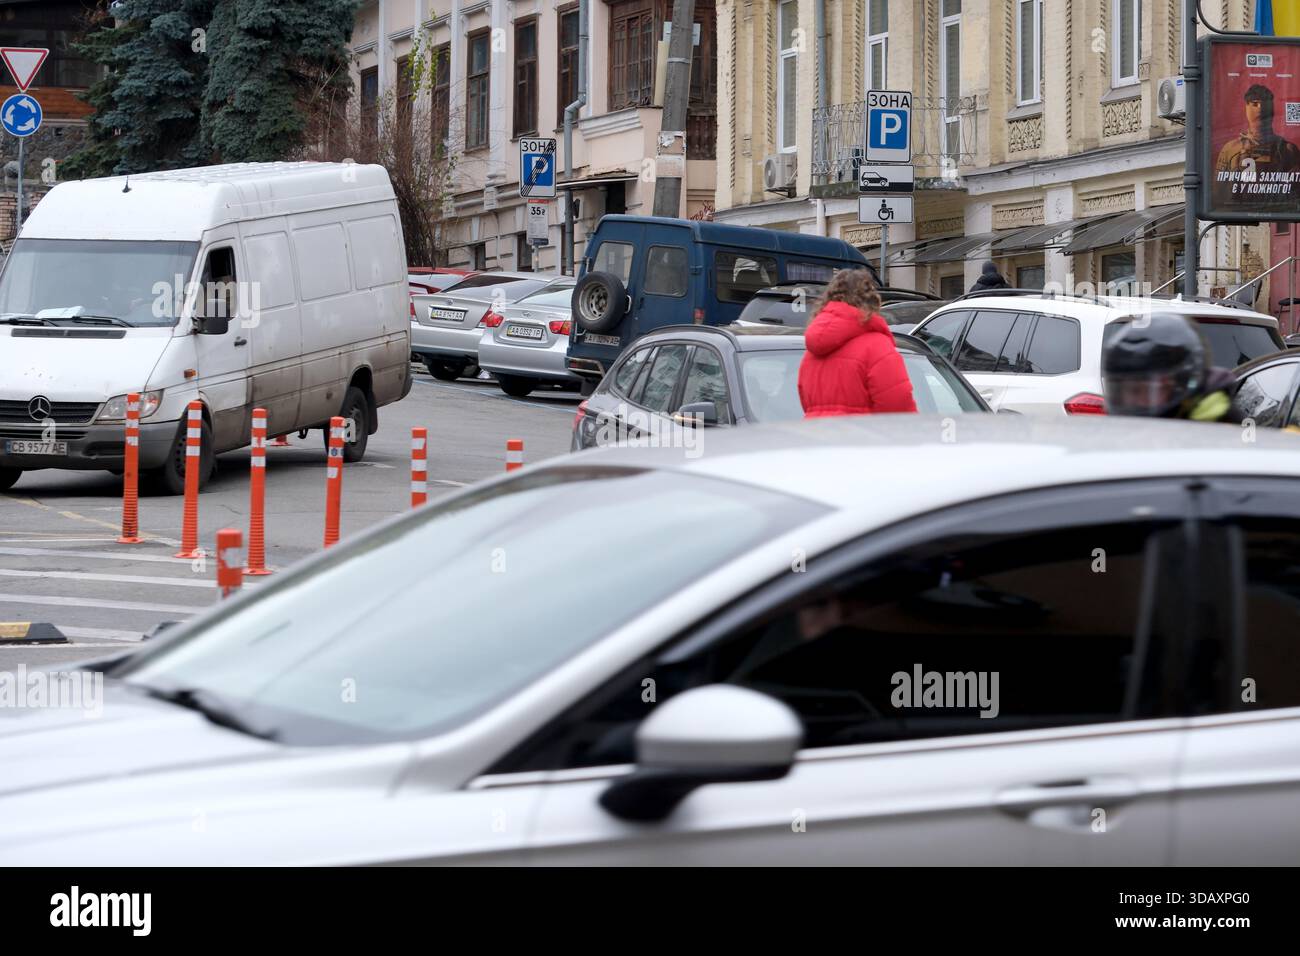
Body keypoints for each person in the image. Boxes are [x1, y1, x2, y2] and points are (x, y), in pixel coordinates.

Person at [797, 268, 917, 417]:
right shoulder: (877, 347)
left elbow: (806, 404)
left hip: (814, 438)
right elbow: (898, 407)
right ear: (871, 299)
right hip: (862, 438)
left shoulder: (811, 354)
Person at [1101, 312, 1241, 422]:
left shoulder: (1221, 430)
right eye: (1120, 392)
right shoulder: (1121, 430)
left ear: (1181, 385)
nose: (1131, 402)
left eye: (1139, 391)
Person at [1213, 84, 1300, 209]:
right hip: (1238, 214)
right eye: (1255, 104)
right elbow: (1218, 194)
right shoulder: (1230, 149)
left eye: (1265, 105)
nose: (1260, 109)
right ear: (1246, 107)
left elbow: (1296, 195)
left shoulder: (1287, 149)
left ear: (1272, 110)